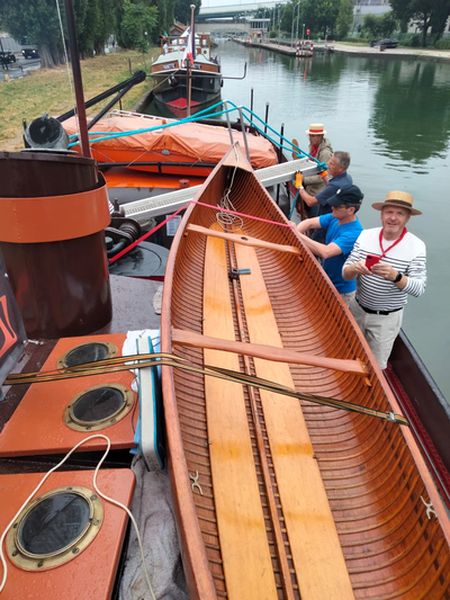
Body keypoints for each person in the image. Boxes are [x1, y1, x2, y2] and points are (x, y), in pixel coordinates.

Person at [342, 191, 426, 370]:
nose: (393, 218)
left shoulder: (416, 246)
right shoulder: (365, 236)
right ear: (381, 214)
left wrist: (396, 276)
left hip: (386, 320)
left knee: (376, 367)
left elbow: (419, 289)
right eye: (389, 212)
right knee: (347, 351)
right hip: (356, 309)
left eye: (400, 213)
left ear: (407, 218)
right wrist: (355, 268)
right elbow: (345, 273)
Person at [296, 185, 364, 303]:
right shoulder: (335, 217)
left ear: (351, 210)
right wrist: (297, 230)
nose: (332, 207)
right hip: (327, 278)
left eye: (337, 206)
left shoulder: (354, 233)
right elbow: (308, 223)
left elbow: (326, 252)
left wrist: (297, 234)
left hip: (342, 290)